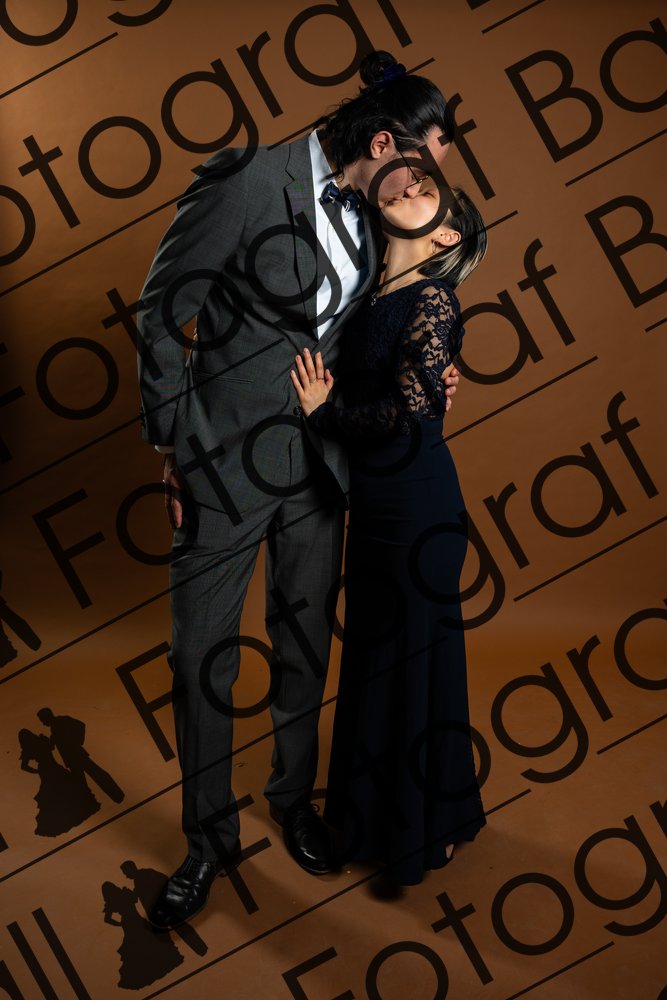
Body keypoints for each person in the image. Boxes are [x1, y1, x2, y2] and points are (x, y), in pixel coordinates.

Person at [137, 49, 461, 930]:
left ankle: (292, 800)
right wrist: (170, 441)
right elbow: (163, 310)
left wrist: (428, 369)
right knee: (200, 658)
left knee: (305, 645)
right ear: (384, 142)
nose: (423, 186)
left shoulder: (377, 212)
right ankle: (207, 840)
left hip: (322, 467)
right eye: (420, 165)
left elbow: (385, 316)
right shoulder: (245, 179)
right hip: (220, 465)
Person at [290, 174, 488, 884]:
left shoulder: (434, 298)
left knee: (410, 660)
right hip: (377, 505)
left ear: (445, 235)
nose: (411, 187)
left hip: (417, 507)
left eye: (429, 191)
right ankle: (390, 818)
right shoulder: (372, 293)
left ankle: (417, 832)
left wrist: (323, 413)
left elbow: (403, 417)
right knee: (380, 656)